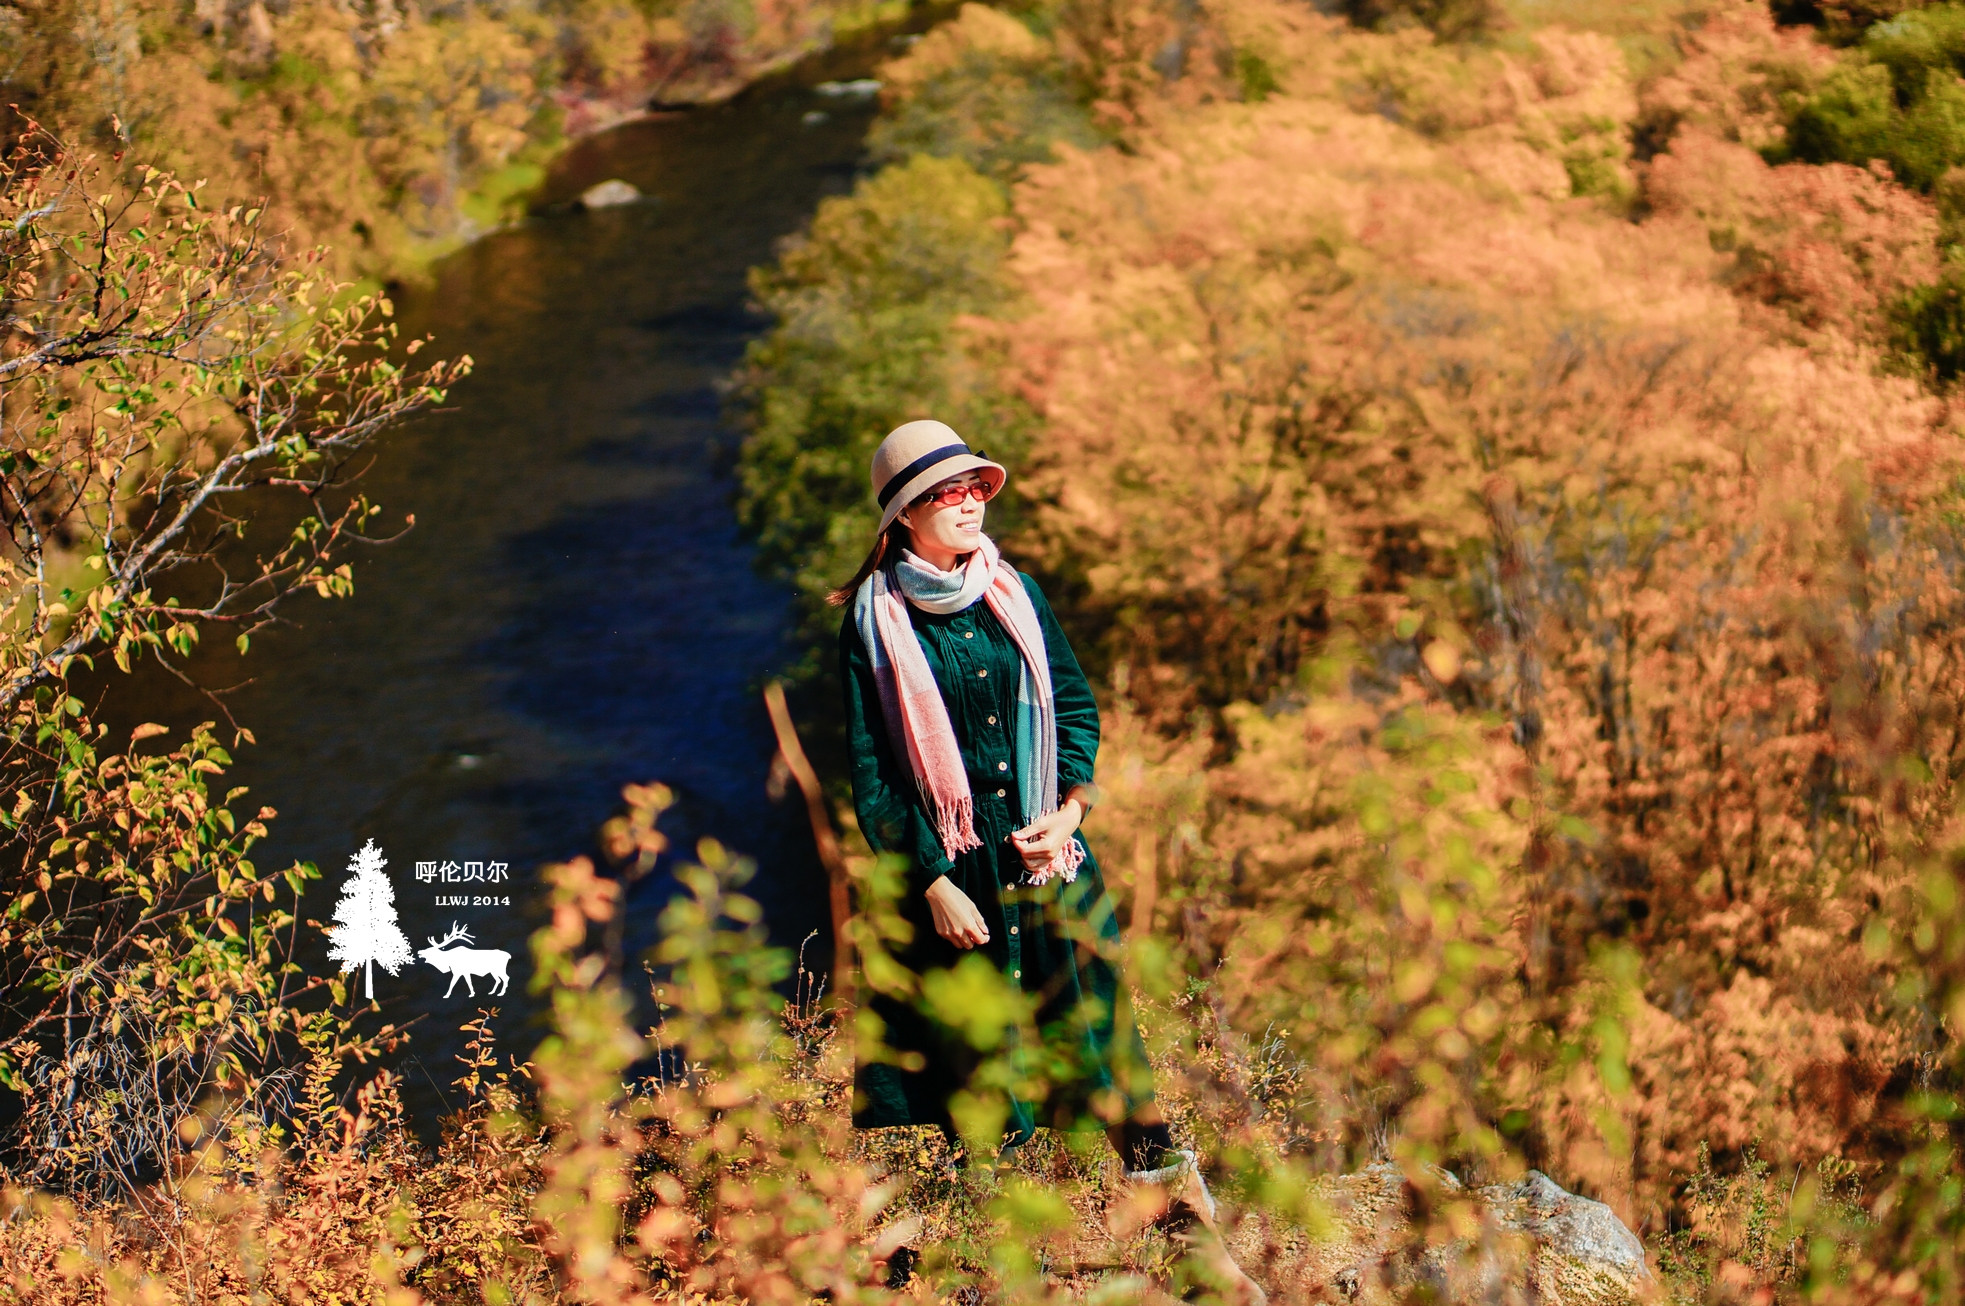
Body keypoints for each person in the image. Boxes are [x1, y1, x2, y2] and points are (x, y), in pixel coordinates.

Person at [835, 419, 1265, 1303]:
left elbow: (1073, 705)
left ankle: (1188, 1237)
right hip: (960, 876)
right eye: (946, 492)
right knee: (981, 1061)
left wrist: (1069, 807)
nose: (967, 502)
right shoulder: (871, 622)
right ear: (905, 514)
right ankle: (1007, 1253)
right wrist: (931, 881)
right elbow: (872, 773)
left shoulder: (1014, 590)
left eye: (974, 487)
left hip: (1051, 860)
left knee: (1102, 1039)